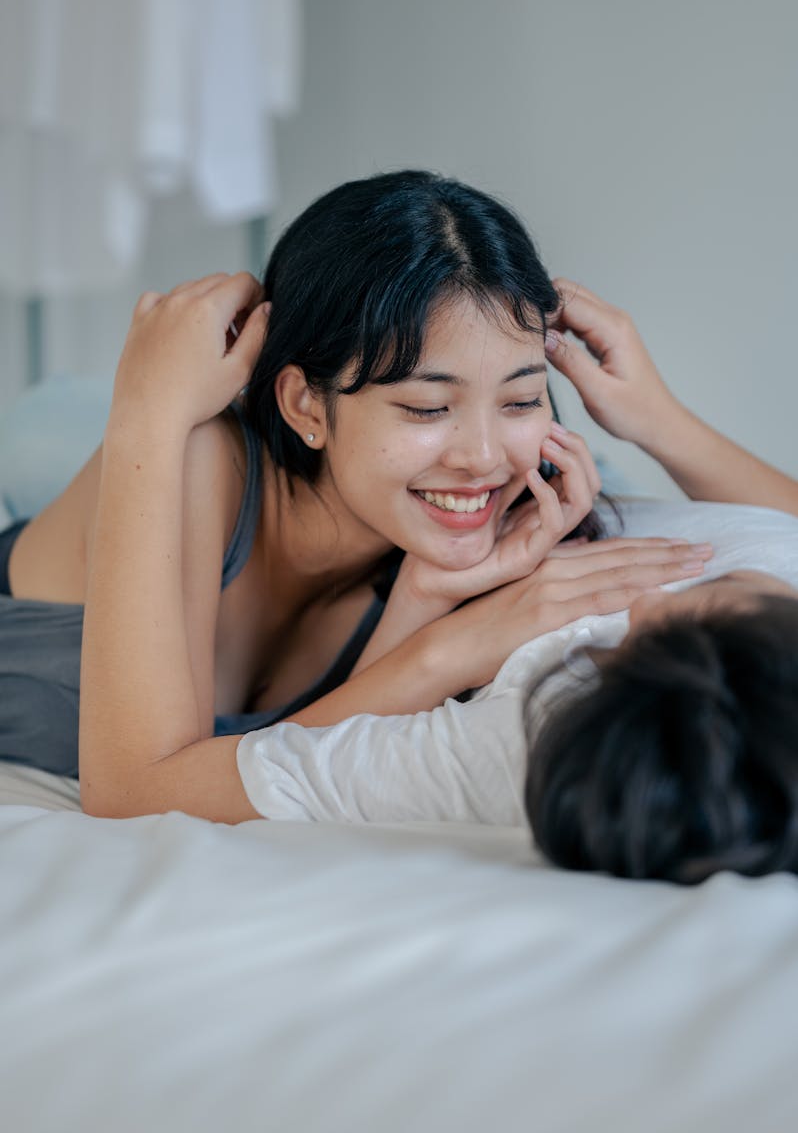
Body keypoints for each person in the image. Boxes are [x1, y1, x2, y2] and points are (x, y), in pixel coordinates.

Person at [0, 171, 711, 818]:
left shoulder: (483, 531)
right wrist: (145, 410)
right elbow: (136, 794)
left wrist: (658, 419)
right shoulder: (192, 459)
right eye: (428, 409)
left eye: (523, 400)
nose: (485, 459)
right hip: (173, 474)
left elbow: (296, 760)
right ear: (306, 405)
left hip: (339, 485)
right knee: (40, 428)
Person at [524, 282, 798, 884]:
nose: (646, 609)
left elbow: (271, 766)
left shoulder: (498, 739)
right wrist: (658, 420)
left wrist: (439, 621)